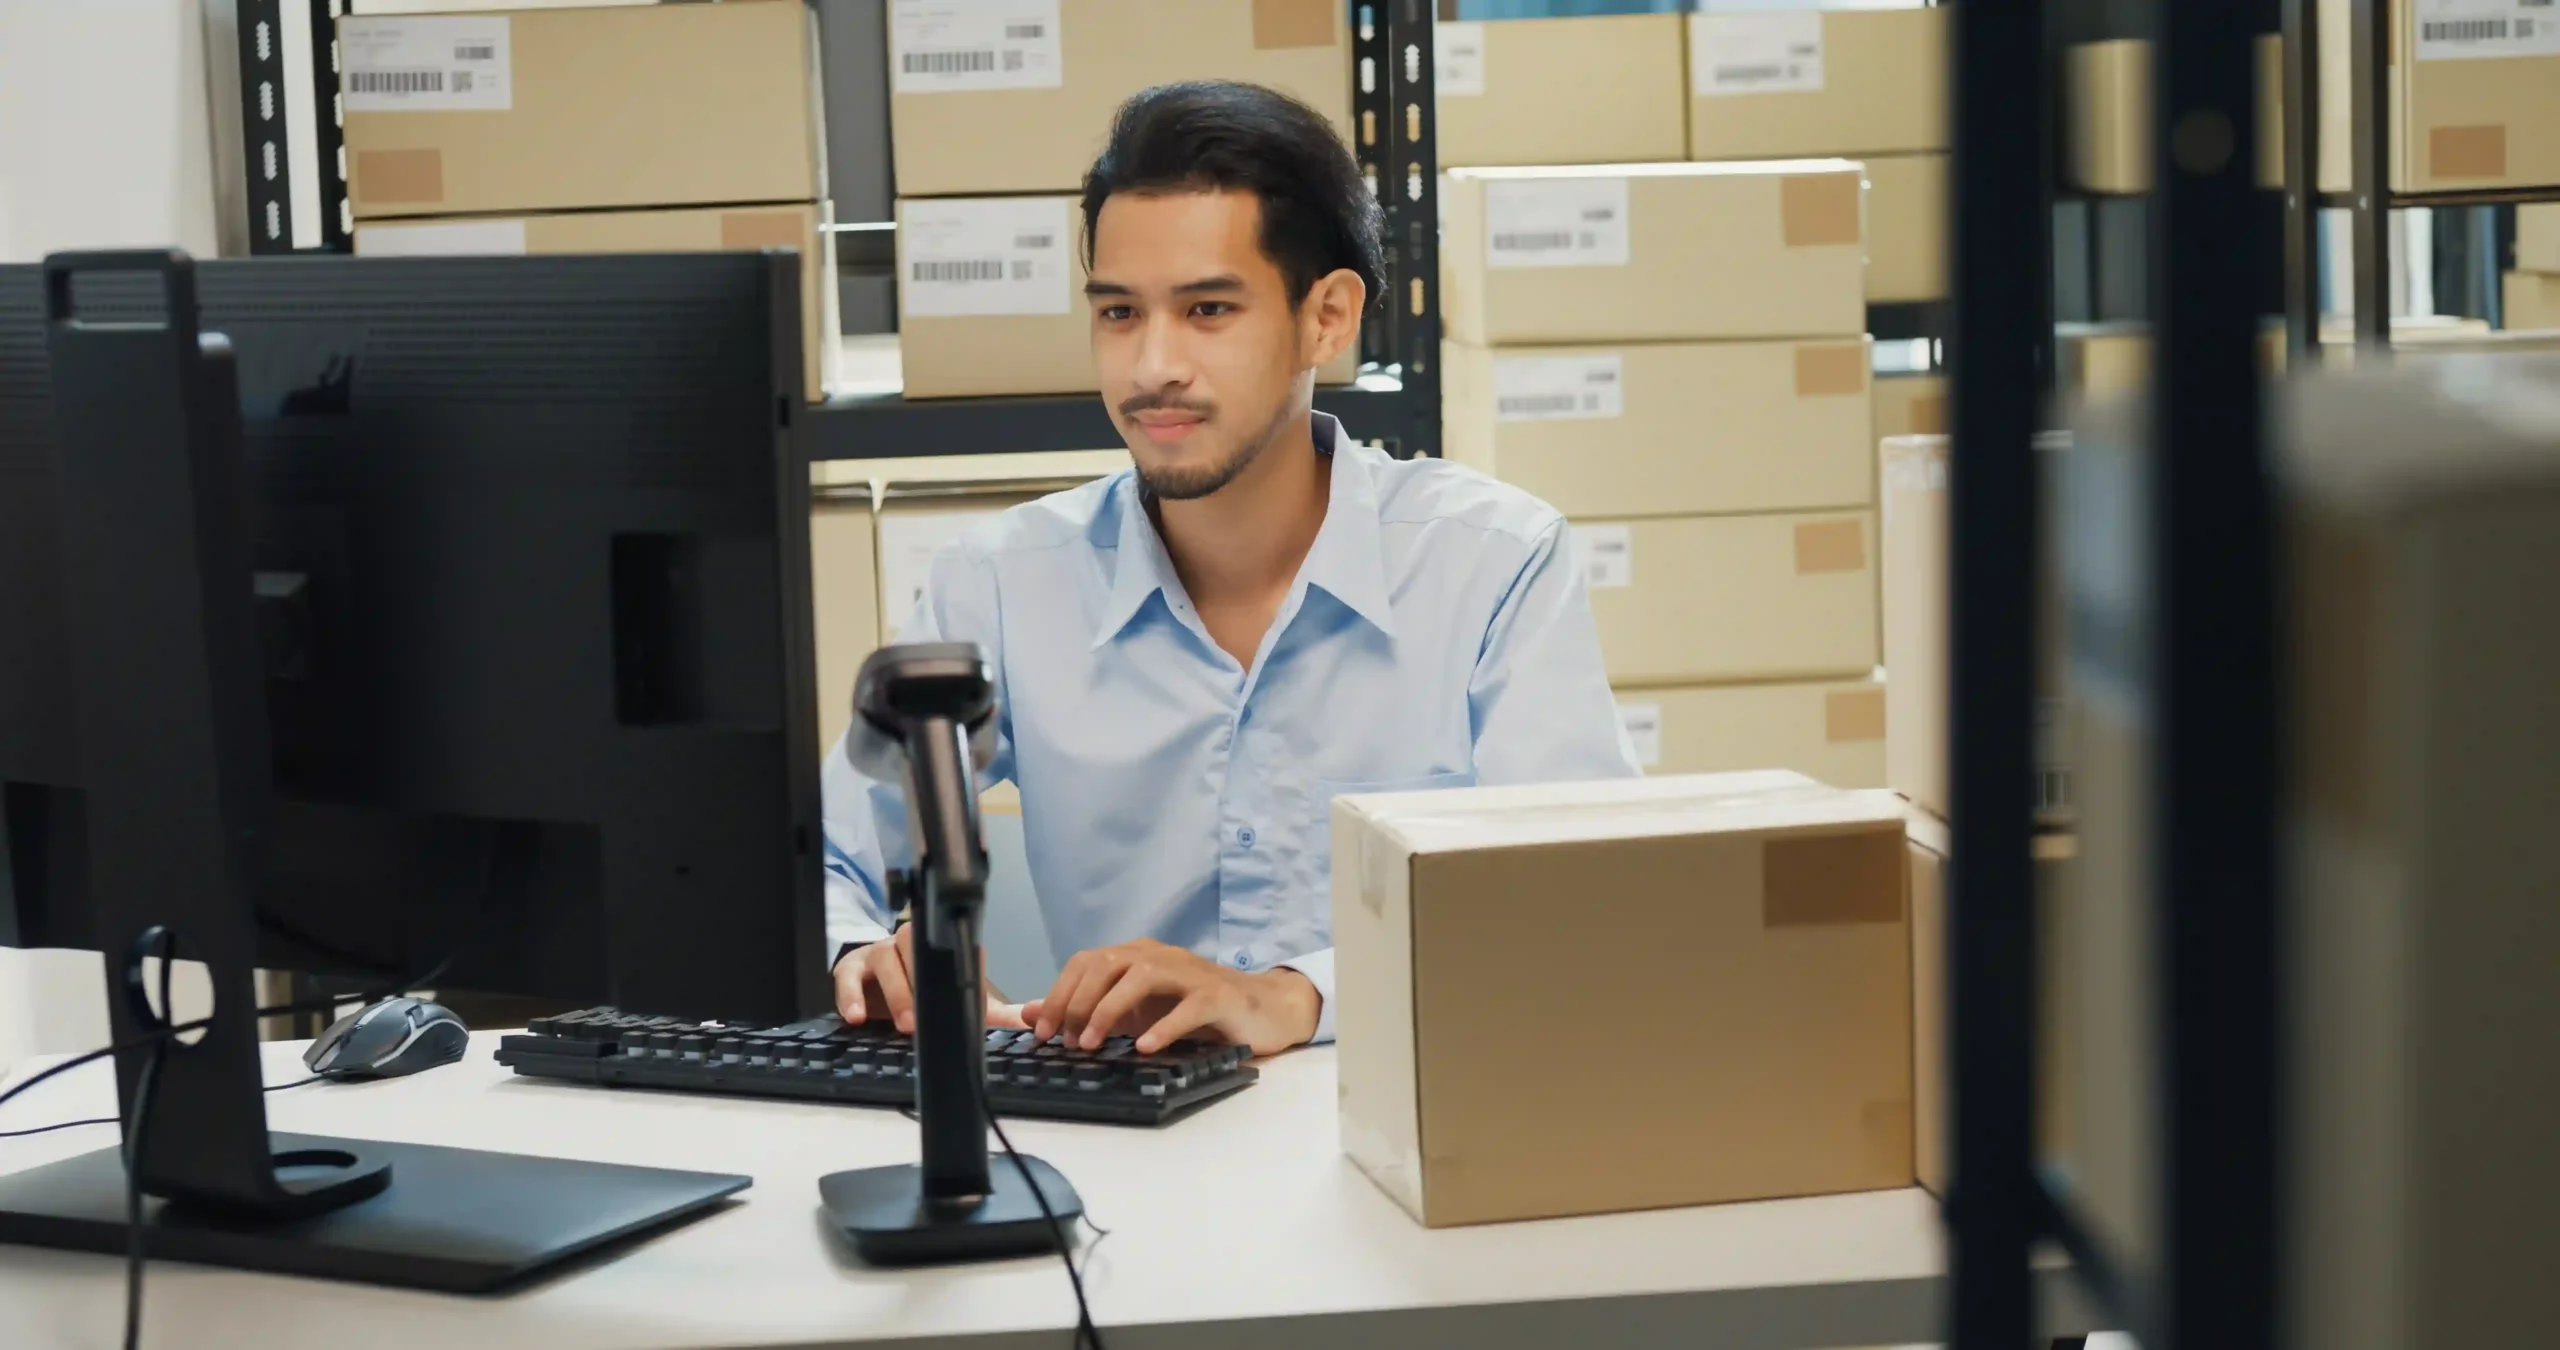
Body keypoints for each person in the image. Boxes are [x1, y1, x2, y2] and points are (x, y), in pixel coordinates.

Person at [824, 80, 1636, 1057]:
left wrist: (1296, 996)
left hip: (1420, 1118)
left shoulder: (1494, 567)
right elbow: (833, 847)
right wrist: (868, 946)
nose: (1151, 365)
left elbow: (1576, 890)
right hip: (1130, 1153)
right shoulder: (999, 582)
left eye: (1207, 309)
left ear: (1327, 318)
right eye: (1118, 314)